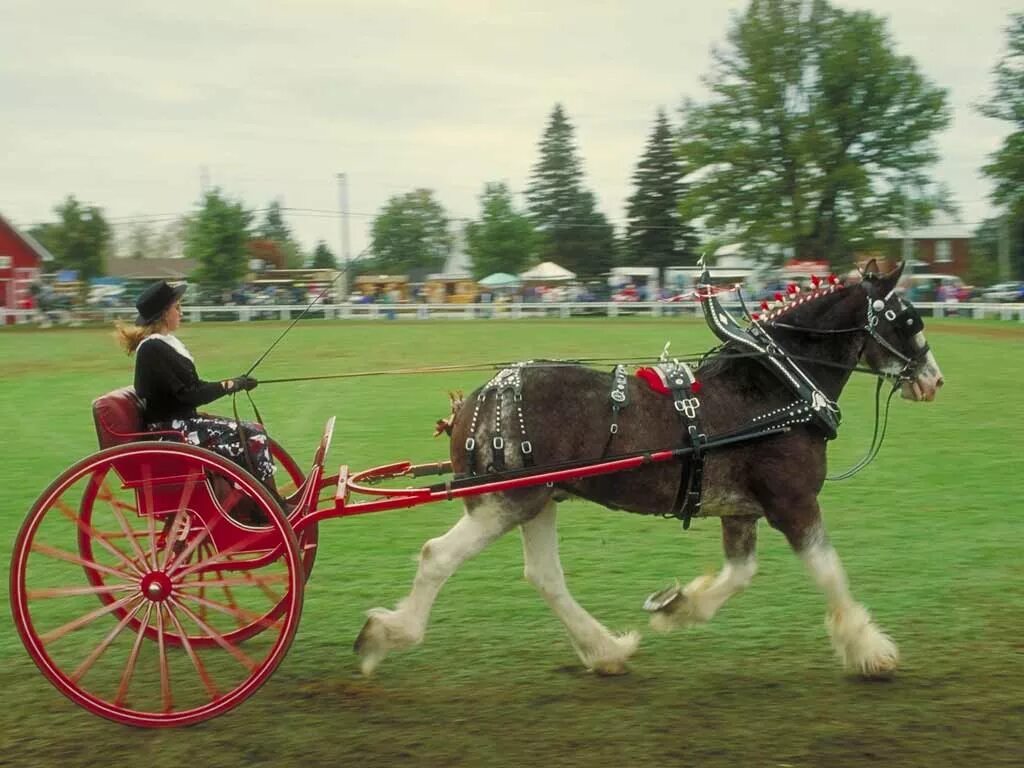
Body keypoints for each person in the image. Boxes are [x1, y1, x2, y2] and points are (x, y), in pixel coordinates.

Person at [114, 280, 281, 502]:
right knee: (254, 435)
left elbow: (193, 386)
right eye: (177, 307)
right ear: (165, 314)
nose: (180, 312)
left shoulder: (163, 344)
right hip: (172, 432)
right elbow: (190, 394)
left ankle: (258, 501)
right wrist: (230, 385)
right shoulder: (152, 349)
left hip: (183, 425)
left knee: (252, 431)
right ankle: (268, 504)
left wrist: (234, 383)